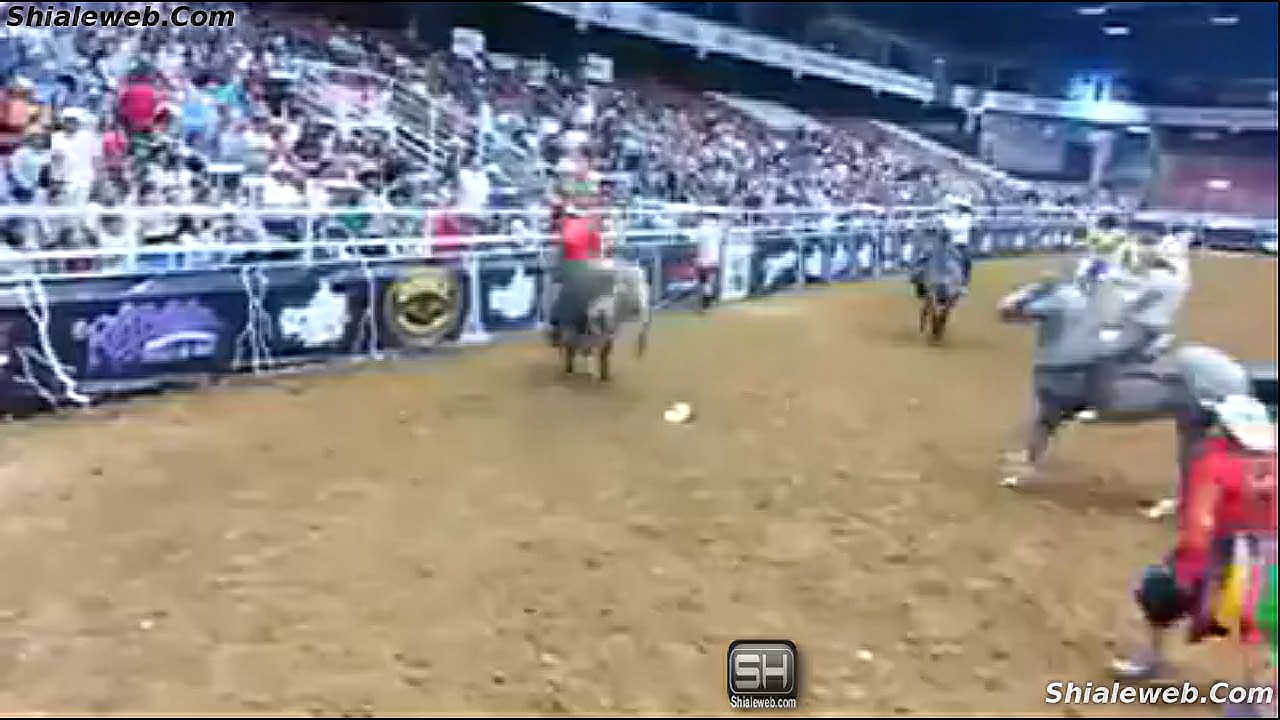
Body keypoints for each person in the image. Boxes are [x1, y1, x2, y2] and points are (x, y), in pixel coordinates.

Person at [1116, 393, 1276, 716]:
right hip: (1270, 557)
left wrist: (1188, 561)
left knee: (1160, 593)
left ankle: (1151, 658)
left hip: (1222, 555)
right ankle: (1260, 699)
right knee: (1258, 628)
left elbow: (1200, 522)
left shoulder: (1214, 463)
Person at [940, 196, 974, 292]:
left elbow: (957, 227)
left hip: (963, 244)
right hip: (951, 244)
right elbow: (948, 227)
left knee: (966, 263)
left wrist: (951, 227)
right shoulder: (946, 216)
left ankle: (963, 284)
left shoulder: (966, 218)